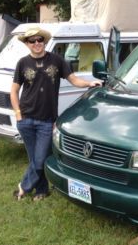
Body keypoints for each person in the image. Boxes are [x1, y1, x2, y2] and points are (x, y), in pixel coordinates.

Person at [11, 27, 102, 200]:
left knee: (40, 158)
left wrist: (90, 84)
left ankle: (23, 186)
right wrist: (17, 114)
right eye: (32, 41)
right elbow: (14, 91)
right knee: (35, 159)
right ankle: (42, 190)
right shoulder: (22, 63)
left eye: (40, 39)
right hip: (26, 119)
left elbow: (74, 79)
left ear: (44, 41)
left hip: (46, 121)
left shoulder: (57, 60)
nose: (37, 43)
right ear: (27, 44)